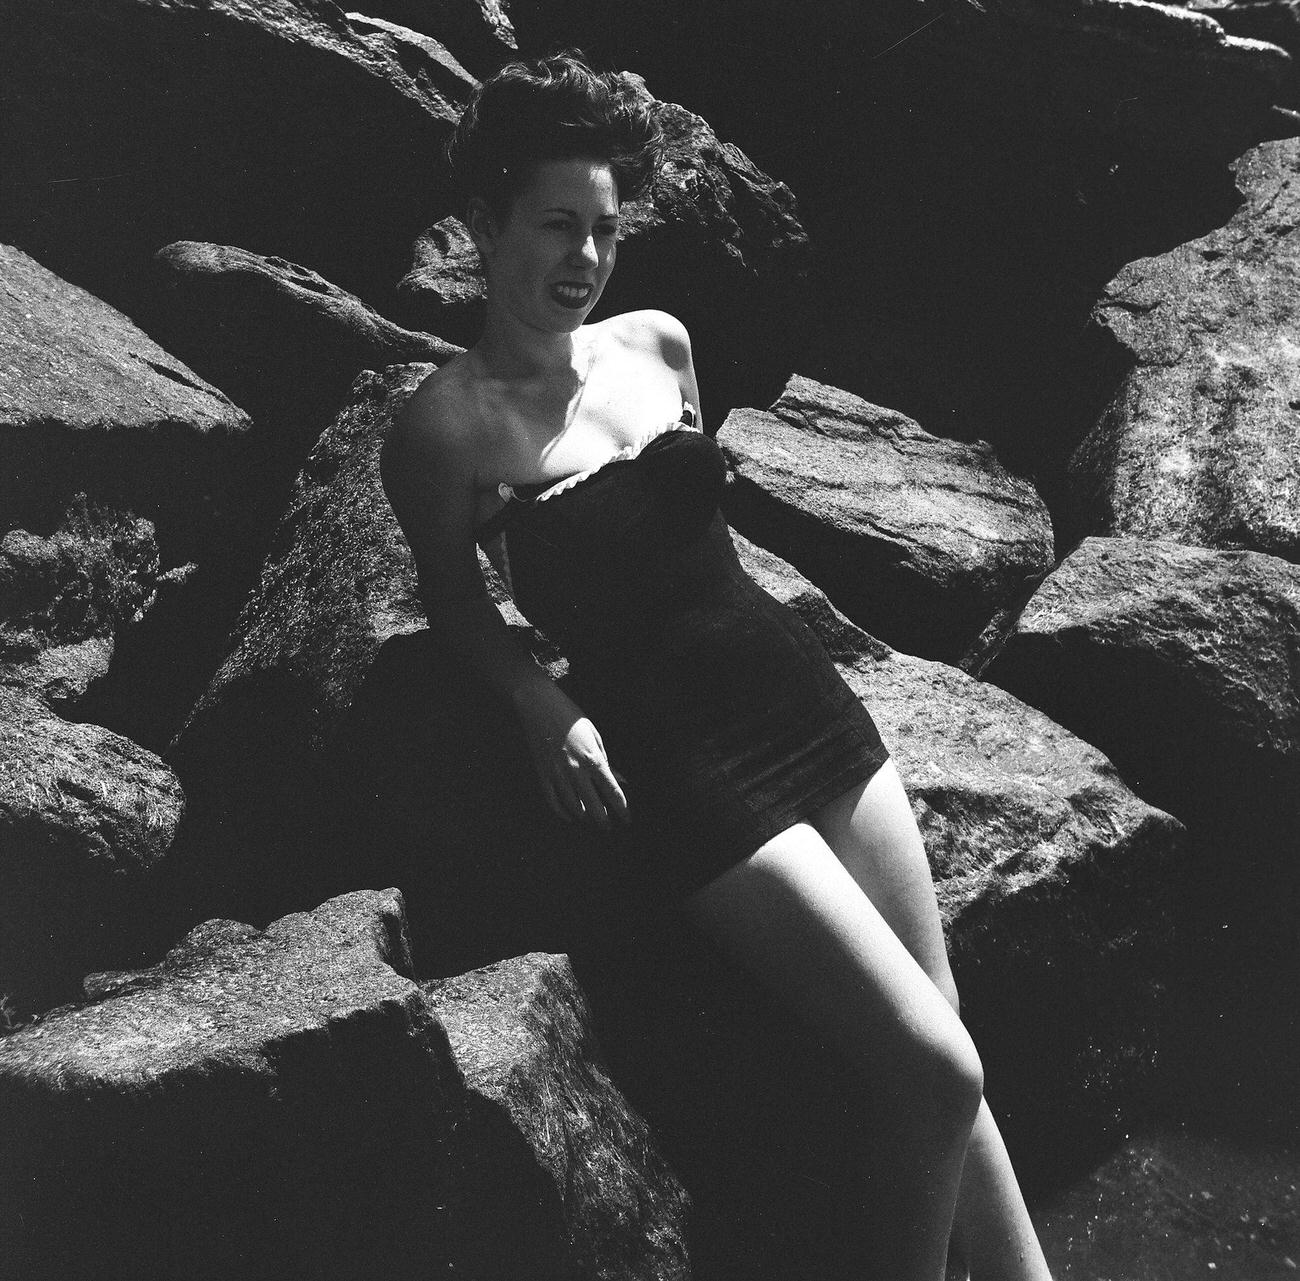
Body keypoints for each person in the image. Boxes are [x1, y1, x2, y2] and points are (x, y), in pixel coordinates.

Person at [381, 51, 1053, 1281]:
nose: (582, 260)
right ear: (482, 222)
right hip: (684, 766)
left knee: (946, 1050)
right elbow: (451, 596)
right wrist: (539, 702)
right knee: (930, 1068)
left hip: (798, 695)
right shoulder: (447, 423)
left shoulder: (658, 345)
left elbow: (694, 536)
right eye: (553, 227)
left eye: (603, 230)